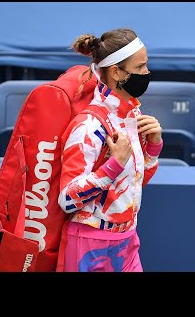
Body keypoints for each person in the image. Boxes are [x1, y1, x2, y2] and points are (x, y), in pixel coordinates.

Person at [57, 28, 163, 272]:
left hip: (127, 240)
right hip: (89, 245)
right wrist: (113, 165)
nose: (147, 73)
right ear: (117, 72)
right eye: (141, 68)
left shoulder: (132, 115)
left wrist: (154, 146)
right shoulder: (88, 126)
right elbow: (68, 199)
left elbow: (135, 184)